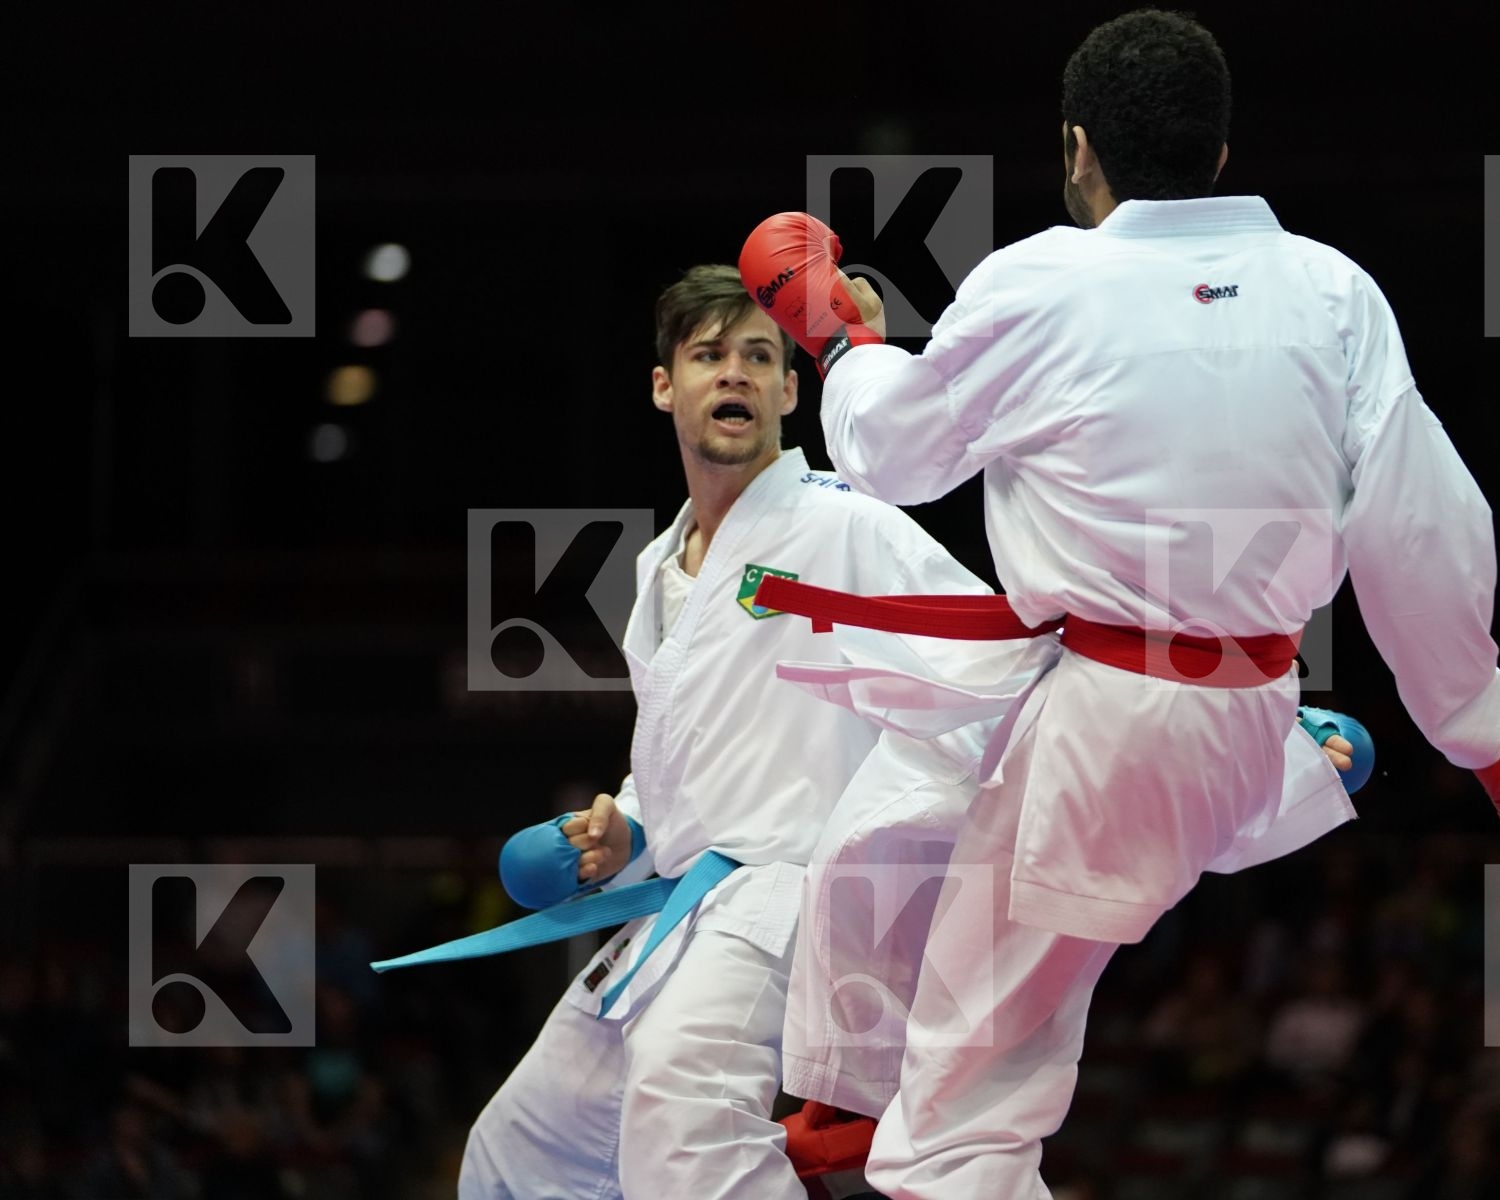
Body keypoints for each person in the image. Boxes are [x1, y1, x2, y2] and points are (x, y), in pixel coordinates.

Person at [736, 9, 1500, 1198]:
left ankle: (874, 1104)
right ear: (1222, 152)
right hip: (1245, 716)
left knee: (961, 1126)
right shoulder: (1335, 291)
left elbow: (893, 456)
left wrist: (841, 341)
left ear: (1078, 147)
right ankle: (1313, 763)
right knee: (919, 798)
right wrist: (1483, 723)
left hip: (1110, 731)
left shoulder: (1042, 280)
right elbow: (1421, 522)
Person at [387, 264, 1365, 1198]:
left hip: (782, 894)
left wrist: (1266, 742)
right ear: (662, 385)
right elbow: (685, 764)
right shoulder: (656, 567)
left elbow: (1008, 664)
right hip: (673, 908)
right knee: (518, 1156)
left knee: (684, 1125)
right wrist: (627, 831)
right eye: (708, 355)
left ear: (788, 392)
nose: (735, 373)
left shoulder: (844, 524)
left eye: (760, 356)